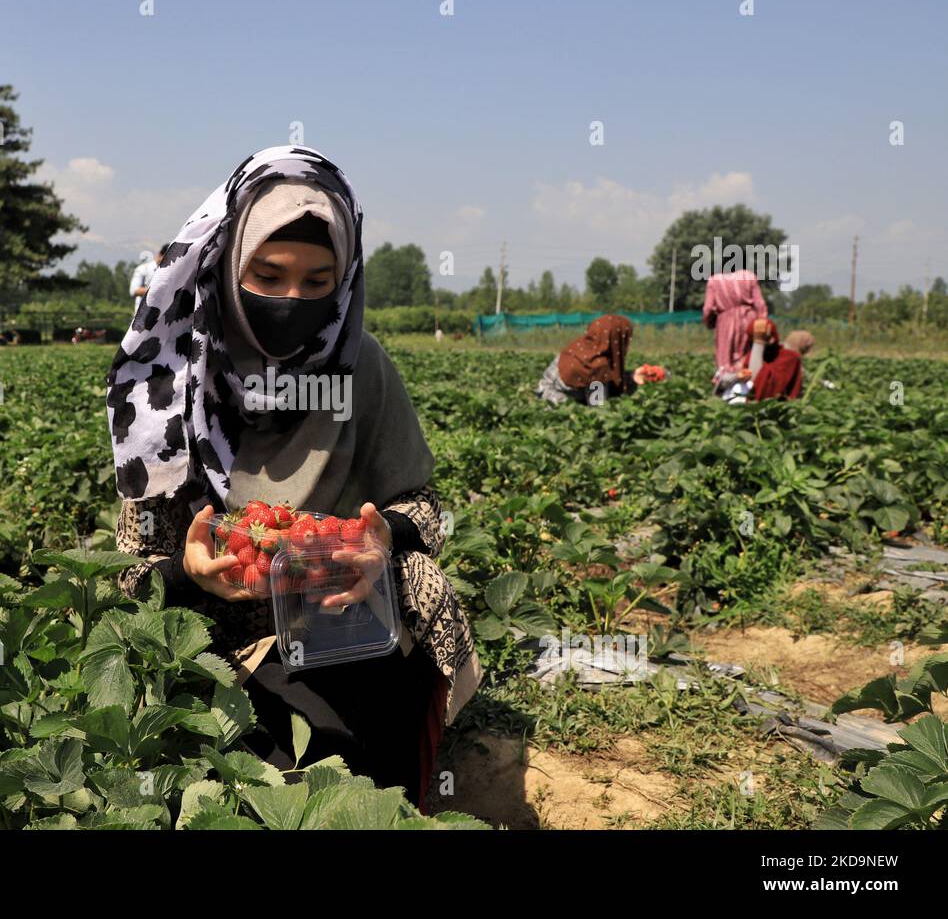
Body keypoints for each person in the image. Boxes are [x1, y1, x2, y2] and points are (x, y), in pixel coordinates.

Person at [107, 146, 482, 808]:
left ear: (345, 278)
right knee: (254, 758)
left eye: (317, 282)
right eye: (269, 275)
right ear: (225, 264)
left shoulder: (360, 366)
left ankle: (388, 801)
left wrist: (376, 540)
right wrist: (188, 573)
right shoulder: (172, 379)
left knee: (415, 596)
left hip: (338, 607)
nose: (292, 300)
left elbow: (422, 507)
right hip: (209, 618)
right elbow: (131, 563)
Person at [536, 314, 658, 405]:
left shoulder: (576, 349)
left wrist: (632, 376)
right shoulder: (597, 367)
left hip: (543, 394)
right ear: (614, 340)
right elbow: (597, 407)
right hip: (558, 406)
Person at [703, 270, 767, 390]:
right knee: (749, 356)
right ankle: (750, 389)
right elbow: (760, 304)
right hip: (749, 320)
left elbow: (708, 308)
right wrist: (762, 322)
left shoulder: (714, 280)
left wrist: (709, 322)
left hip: (725, 322)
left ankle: (726, 391)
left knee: (726, 359)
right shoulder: (749, 276)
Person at [747, 321, 810, 401]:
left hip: (780, 407)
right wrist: (758, 343)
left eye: (770, 336)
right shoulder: (750, 356)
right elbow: (753, 380)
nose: (770, 341)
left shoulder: (789, 357)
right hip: (753, 407)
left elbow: (779, 386)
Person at [128, 243, 169, 315]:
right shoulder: (143, 269)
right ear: (159, 255)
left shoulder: (169, 271)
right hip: (143, 315)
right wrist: (158, 290)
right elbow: (134, 290)